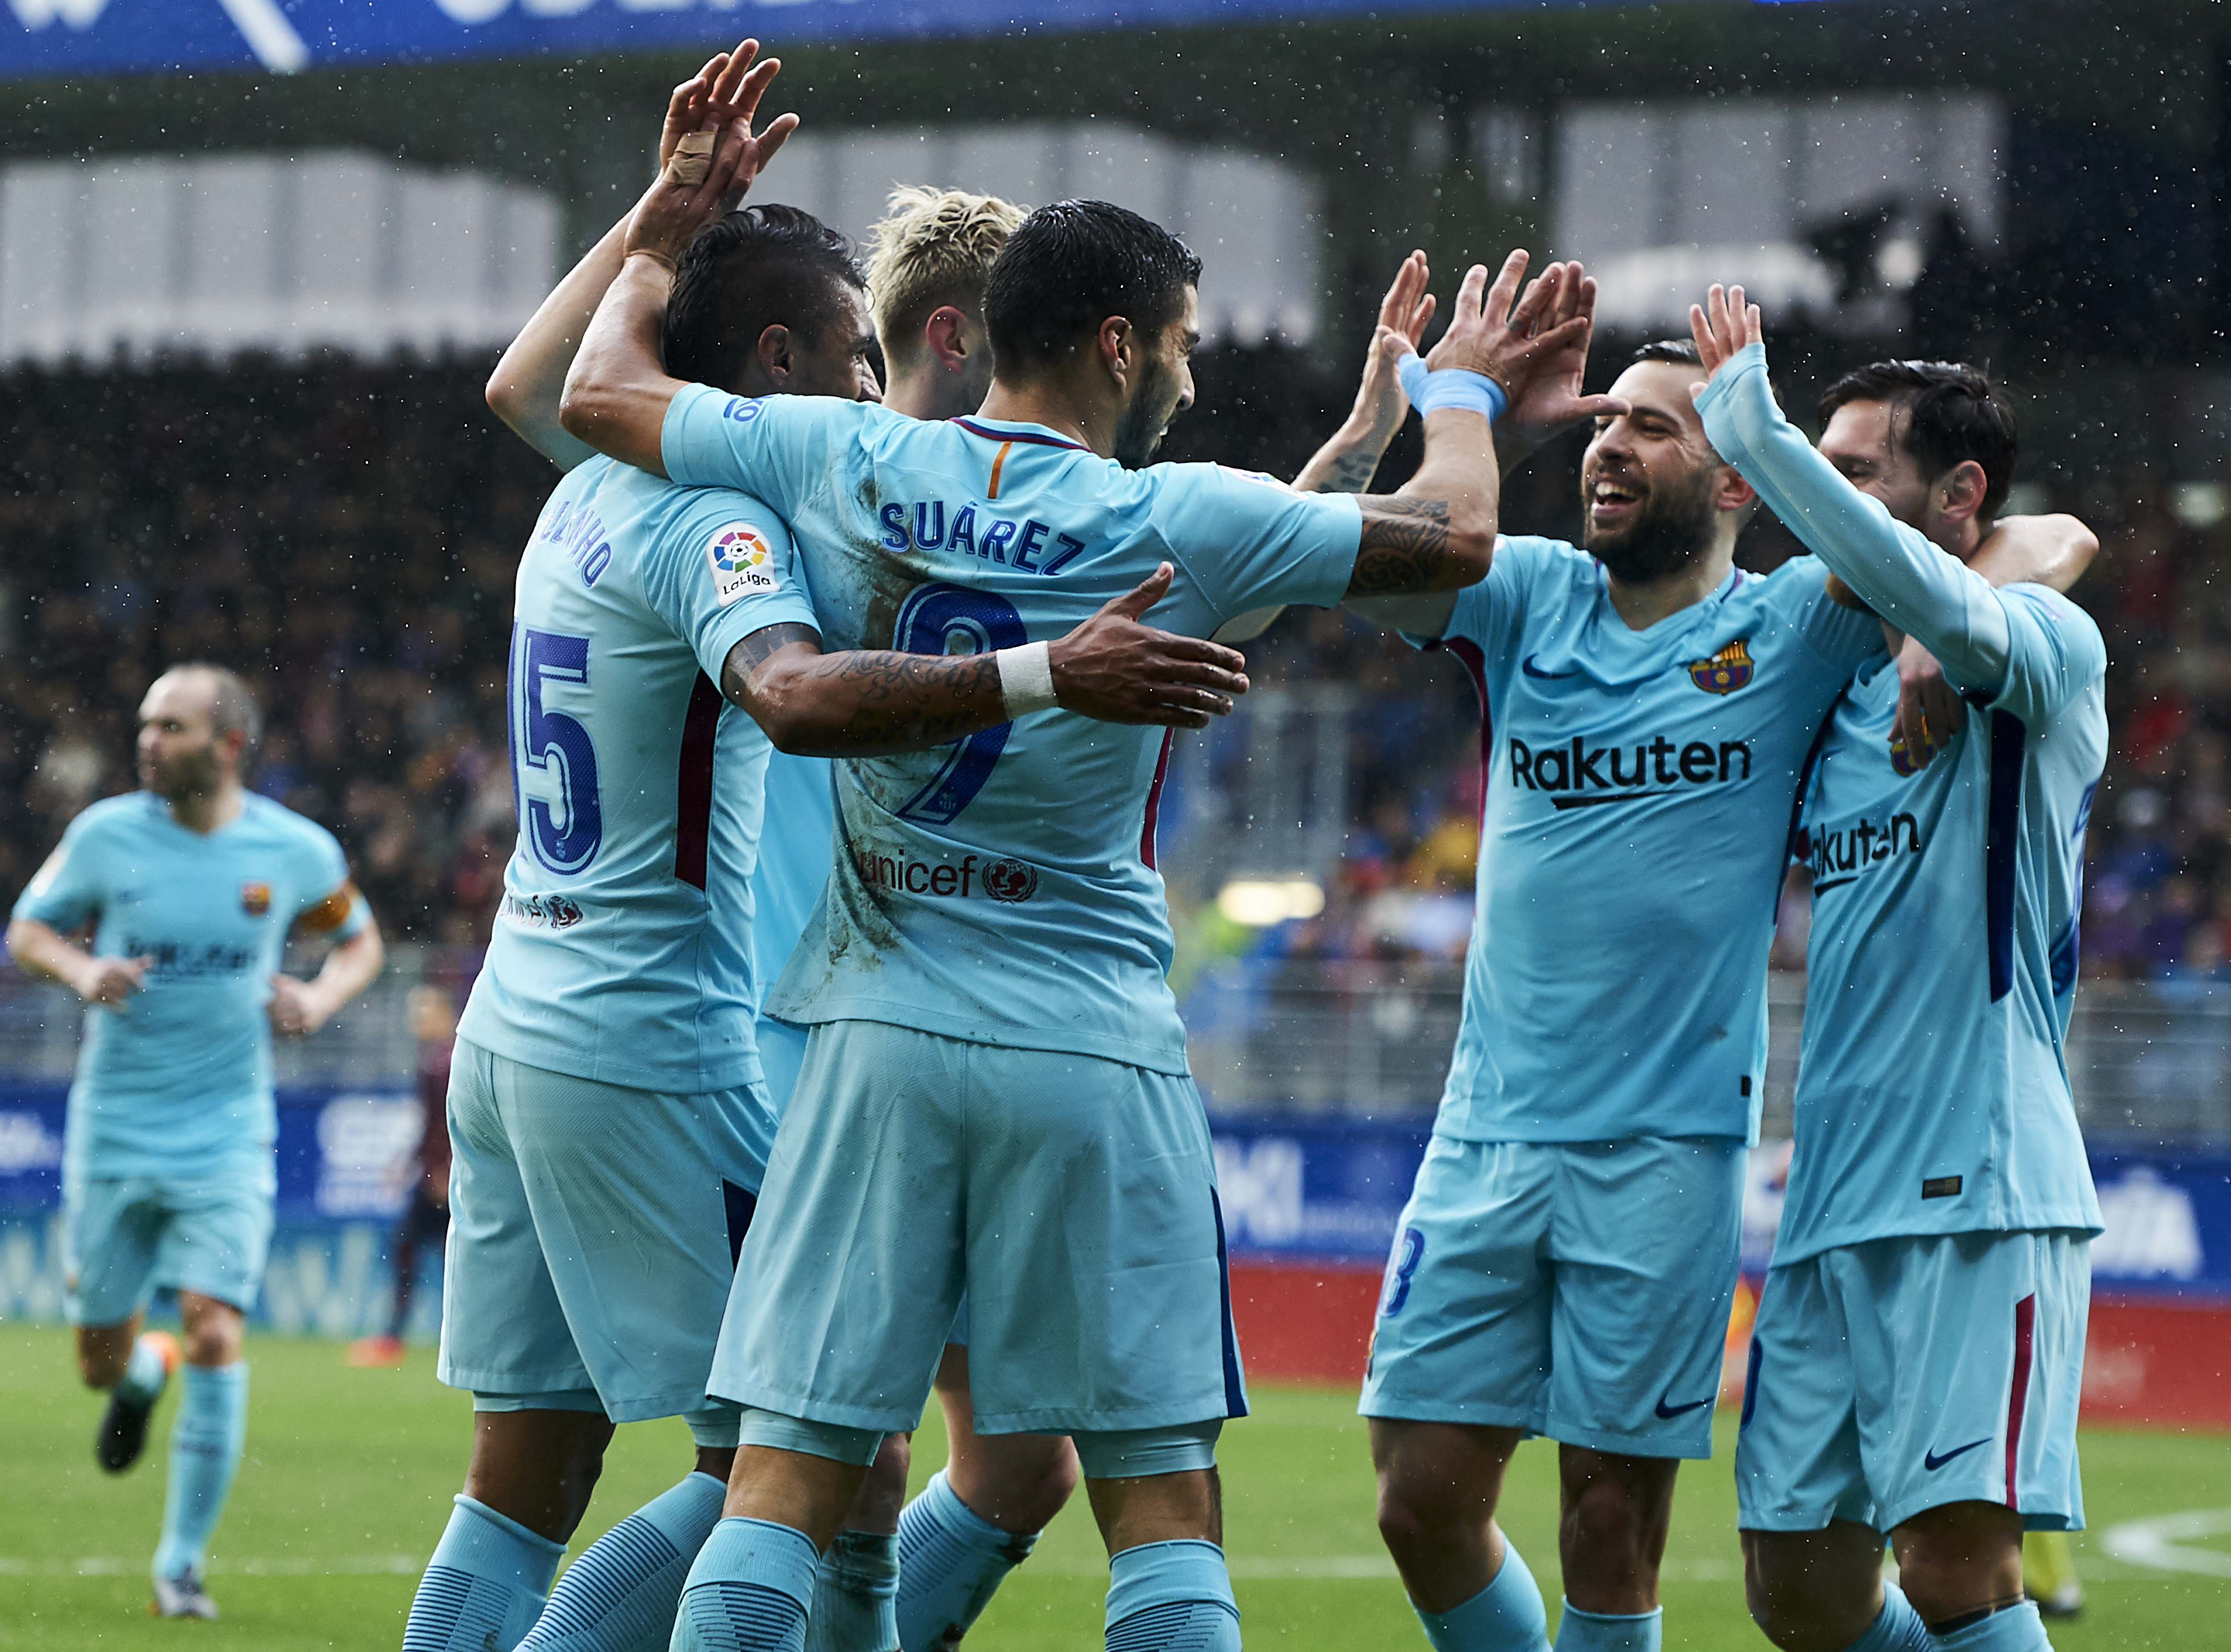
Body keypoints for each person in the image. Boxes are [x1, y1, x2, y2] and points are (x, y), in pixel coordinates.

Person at [558, 76, 1589, 1639]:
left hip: (877, 1027)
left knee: (784, 1482)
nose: (1185, 368)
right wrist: (1460, 398)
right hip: (1090, 1044)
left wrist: (672, 214)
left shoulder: (842, 458)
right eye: (1178, 339)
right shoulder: (1177, 509)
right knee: (1158, 1507)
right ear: (1117, 340)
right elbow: (1453, 542)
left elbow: (593, 392)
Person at [403, 45, 1254, 1652]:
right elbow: (797, 689)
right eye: (851, 365)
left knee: (532, 1466)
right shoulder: (737, 520)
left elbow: (538, 387)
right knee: (838, 1454)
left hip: (522, 1011)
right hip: (675, 1034)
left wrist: (662, 220)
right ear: (783, 362)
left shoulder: (586, 479)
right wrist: (1037, 668)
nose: (869, 404)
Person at [1339, 295, 2095, 1645]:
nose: (1608, 447)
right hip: (1523, 1134)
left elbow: (2028, 539)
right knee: (1444, 1504)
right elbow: (1371, 561)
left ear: (1739, 475)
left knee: (1654, 1529)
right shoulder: (1535, 597)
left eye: (1652, 424)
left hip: (1692, 1150)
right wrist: (1453, 411)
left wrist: (1979, 595)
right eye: (1601, 422)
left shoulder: (1805, 629)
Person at [1692, 294, 2107, 1652]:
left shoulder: (2042, 651)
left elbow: (1989, 610)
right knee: (1796, 1587)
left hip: (1975, 1180)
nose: (1826, 497)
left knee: (1951, 1568)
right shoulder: (1836, 693)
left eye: (1854, 471)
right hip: (1827, 1197)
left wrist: (1755, 429)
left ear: (1958, 494)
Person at [6, 663, 385, 1621]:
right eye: (143, 724)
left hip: (227, 1132)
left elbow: (360, 941)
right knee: (97, 1355)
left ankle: (179, 1568)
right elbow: (28, 931)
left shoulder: (291, 851)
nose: (147, 741)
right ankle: (142, 1373)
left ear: (227, 745)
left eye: (169, 727)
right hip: (116, 1128)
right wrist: (81, 970)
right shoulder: (104, 837)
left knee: (219, 1323)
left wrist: (320, 996)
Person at [346, 983, 457, 1368]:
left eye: (423, 1012)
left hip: (442, 1178)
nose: (416, 1021)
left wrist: (444, 1168)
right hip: (436, 1174)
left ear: (443, 1015)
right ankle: (409, 1335)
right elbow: (432, 1124)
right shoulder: (441, 1059)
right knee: (429, 1252)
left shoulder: (445, 1063)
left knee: (418, 1249)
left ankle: (397, 1336)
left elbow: (448, 1122)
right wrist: (408, 1162)